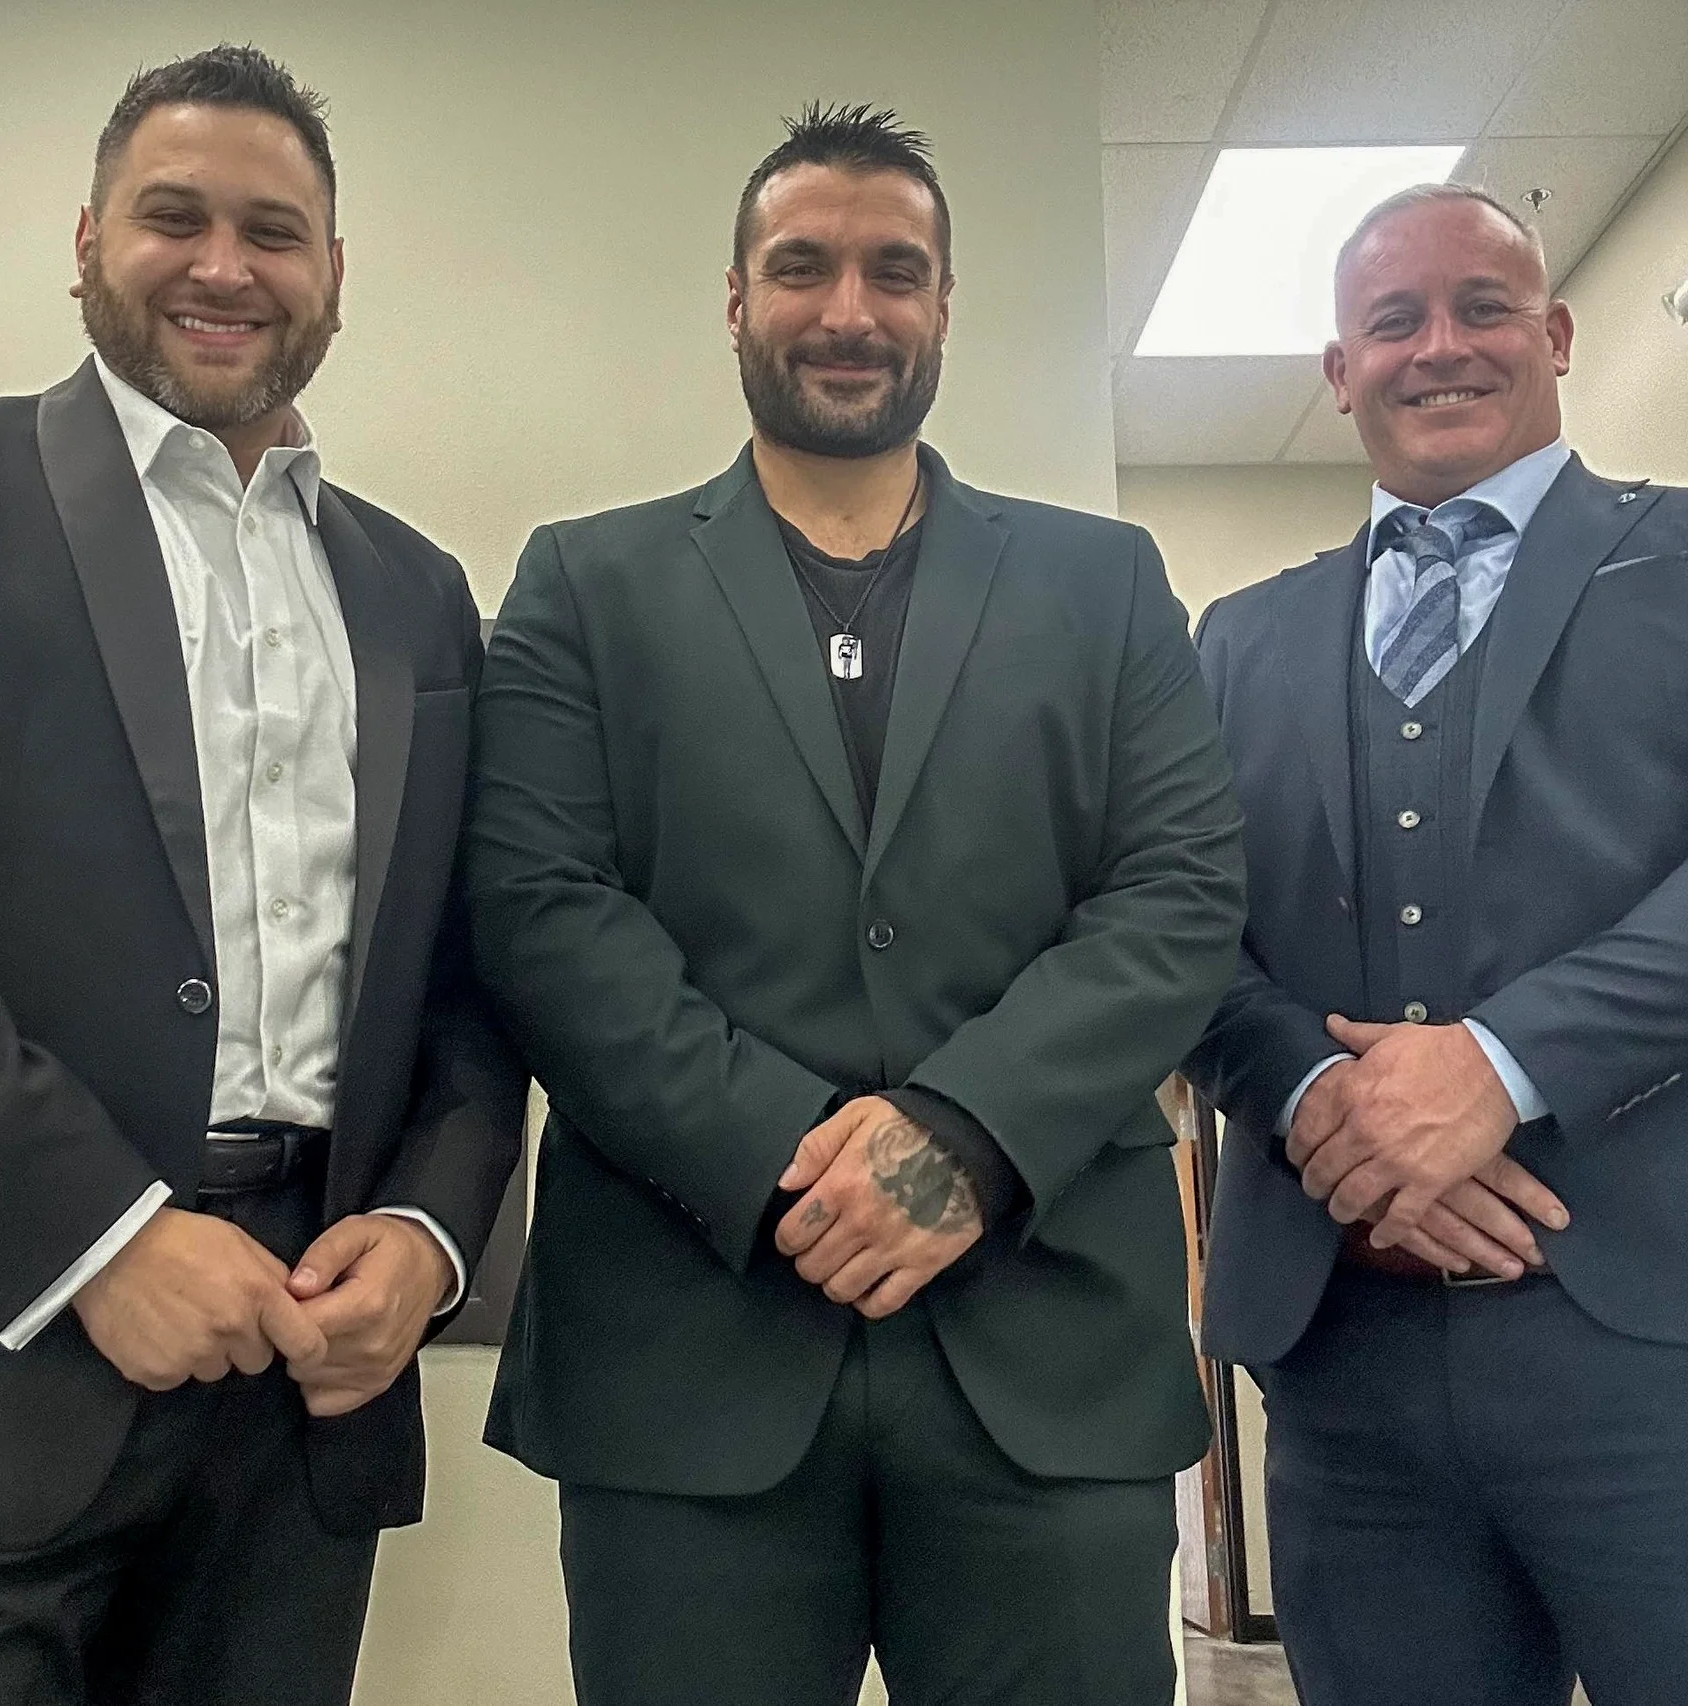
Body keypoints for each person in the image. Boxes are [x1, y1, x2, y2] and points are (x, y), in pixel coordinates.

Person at [0, 45, 524, 1706]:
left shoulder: (417, 592)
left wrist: (431, 1232)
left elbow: (462, 972)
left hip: (299, 1401)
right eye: (175, 217)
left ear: (335, 276)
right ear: (87, 240)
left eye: (275, 232)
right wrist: (103, 1235)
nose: (225, 265)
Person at [467, 103, 1247, 1706]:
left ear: (945, 305)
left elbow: (1177, 897)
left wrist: (958, 1138)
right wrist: (782, 1154)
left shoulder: (1104, 588)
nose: (848, 308)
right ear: (735, 300)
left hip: (1050, 1357)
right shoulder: (583, 585)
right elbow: (543, 908)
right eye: (801, 266)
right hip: (689, 1354)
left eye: (897, 270)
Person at [1185, 183, 1688, 1706]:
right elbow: (1171, 929)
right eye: (1393, 320)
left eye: (1482, 306)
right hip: (1345, 1353)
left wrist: (1500, 1064)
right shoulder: (1235, 639)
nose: (1442, 347)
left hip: (1660, 1336)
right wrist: (1323, 1104)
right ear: (1339, 371)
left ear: (1554, 335)